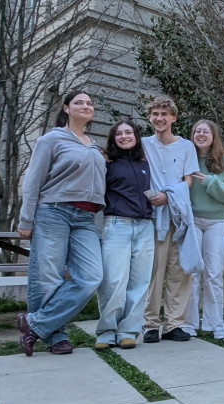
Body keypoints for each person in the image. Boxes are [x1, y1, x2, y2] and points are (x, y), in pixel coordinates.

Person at [16, 90, 106, 356]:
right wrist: (26, 219)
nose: (86, 106)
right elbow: (33, 181)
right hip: (53, 212)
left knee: (91, 277)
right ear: (66, 108)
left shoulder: (93, 145)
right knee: (47, 277)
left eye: (90, 102)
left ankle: (33, 323)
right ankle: (55, 336)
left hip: (85, 218)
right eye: (79, 102)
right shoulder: (51, 139)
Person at [141, 96, 202, 343]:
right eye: (155, 114)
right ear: (149, 117)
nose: (159, 118)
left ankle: (174, 323)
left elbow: (189, 179)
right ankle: (150, 324)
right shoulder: (143, 144)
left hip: (179, 214)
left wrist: (169, 195)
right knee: (153, 271)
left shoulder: (186, 146)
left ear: (173, 118)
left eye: (164, 114)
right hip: (153, 217)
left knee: (180, 270)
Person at [94, 120, 154, 351]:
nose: (124, 136)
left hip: (145, 226)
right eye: (118, 133)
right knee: (114, 281)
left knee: (139, 282)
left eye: (128, 132)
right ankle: (107, 332)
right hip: (117, 224)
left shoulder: (145, 163)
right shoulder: (107, 162)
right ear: (113, 138)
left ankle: (128, 331)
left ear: (137, 136)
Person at [180, 120, 224, 339]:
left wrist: (210, 182)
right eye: (197, 130)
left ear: (213, 136)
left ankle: (215, 324)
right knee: (192, 273)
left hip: (217, 222)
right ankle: (188, 323)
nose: (200, 134)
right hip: (193, 221)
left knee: (214, 273)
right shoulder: (187, 160)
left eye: (205, 131)